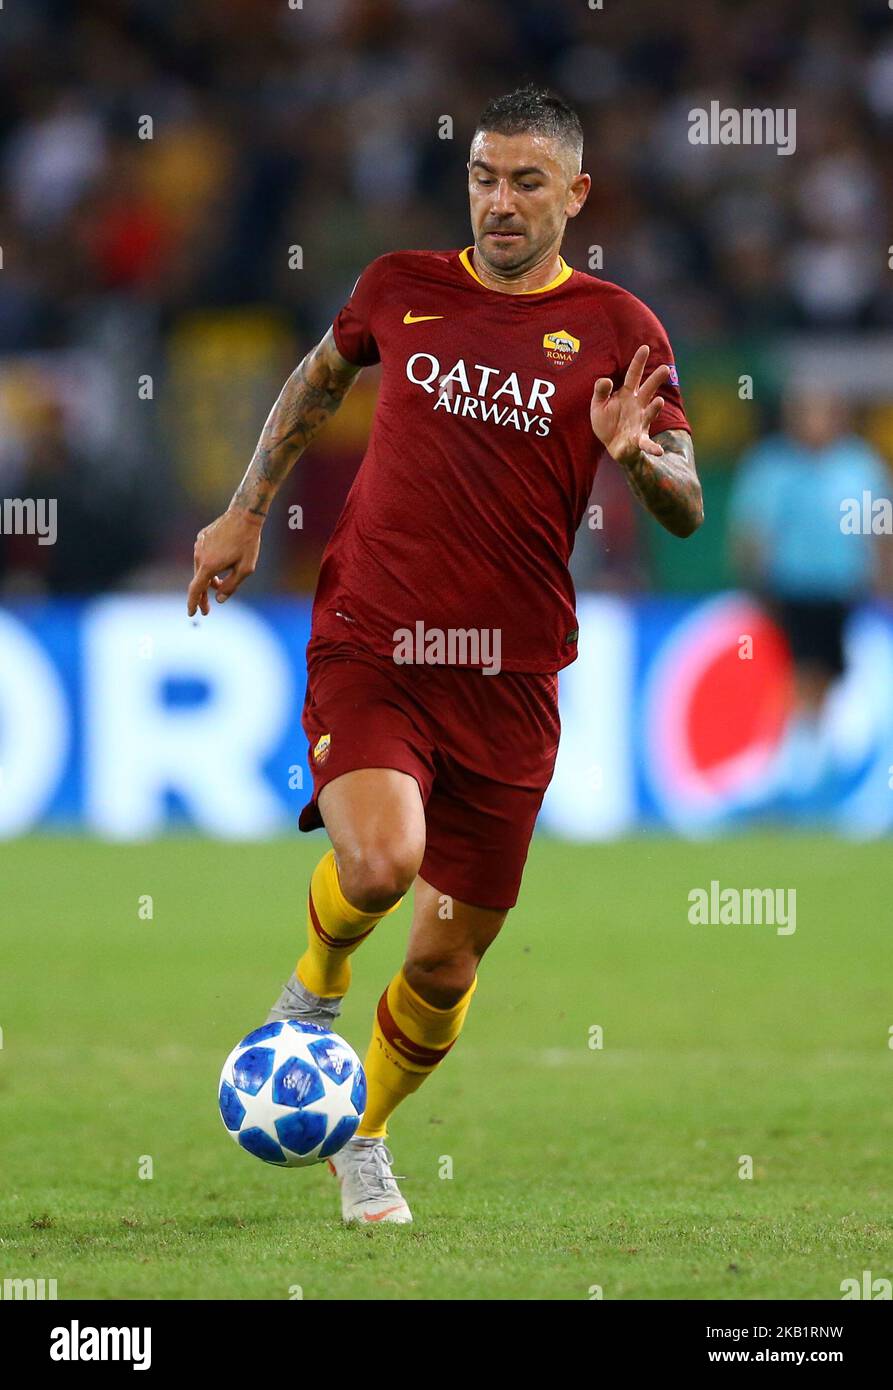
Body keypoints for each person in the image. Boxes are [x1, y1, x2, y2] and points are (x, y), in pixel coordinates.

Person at [187, 85, 702, 1224]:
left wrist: (638, 462)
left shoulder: (622, 332)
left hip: (511, 678)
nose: (499, 202)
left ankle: (360, 1131)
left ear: (575, 194)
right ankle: (309, 993)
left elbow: (687, 509)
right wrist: (242, 511)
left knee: (442, 965)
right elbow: (318, 376)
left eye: (526, 182)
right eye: (482, 176)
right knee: (377, 862)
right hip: (375, 636)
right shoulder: (399, 288)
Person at [728, 385, 891, 805]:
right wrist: (756, 583)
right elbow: (752, 533)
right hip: (789, 591)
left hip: (842, 592)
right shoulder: (772, 466)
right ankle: (798, 770)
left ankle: (808, 766)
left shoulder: (860, 465)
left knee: (828, 677)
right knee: (803, 673)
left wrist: (882, 582)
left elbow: (880, 533)